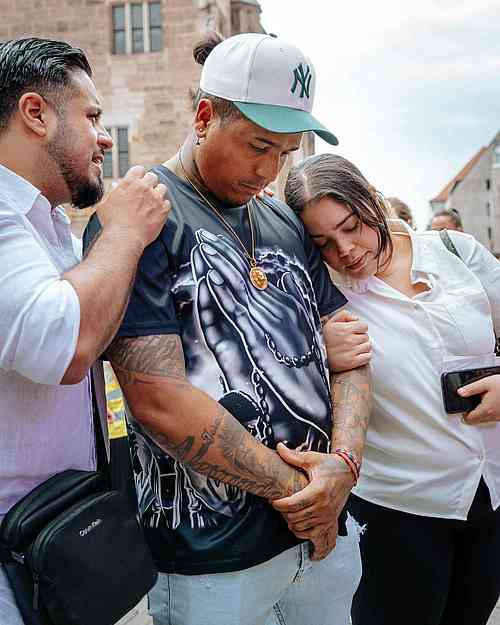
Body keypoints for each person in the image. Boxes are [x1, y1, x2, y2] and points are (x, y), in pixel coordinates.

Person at [85, 32, 371, 625]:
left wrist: (343, 466)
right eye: (257, 146)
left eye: (284, 153)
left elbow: (351, 351)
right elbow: (157, 401)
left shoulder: (284, 220)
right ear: (204, 117)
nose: (268, 170)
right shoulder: (144, 217)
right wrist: (306, 494)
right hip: (215, 562)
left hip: (321, 542)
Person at [285, 152, 500, 625]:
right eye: (324, 242)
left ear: (371, 199)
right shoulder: (321, 297)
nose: (345, 250)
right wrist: (320, 352)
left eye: (352, 226)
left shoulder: (455, 251)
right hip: (399, 509)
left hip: (489, 496)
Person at [0, 37, 170, 625]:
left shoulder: (47, 226)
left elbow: (103, 319)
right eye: (92, 117)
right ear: (36, 114)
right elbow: (67, 345)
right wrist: (124, 232)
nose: (105, 138)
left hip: (61, 540)